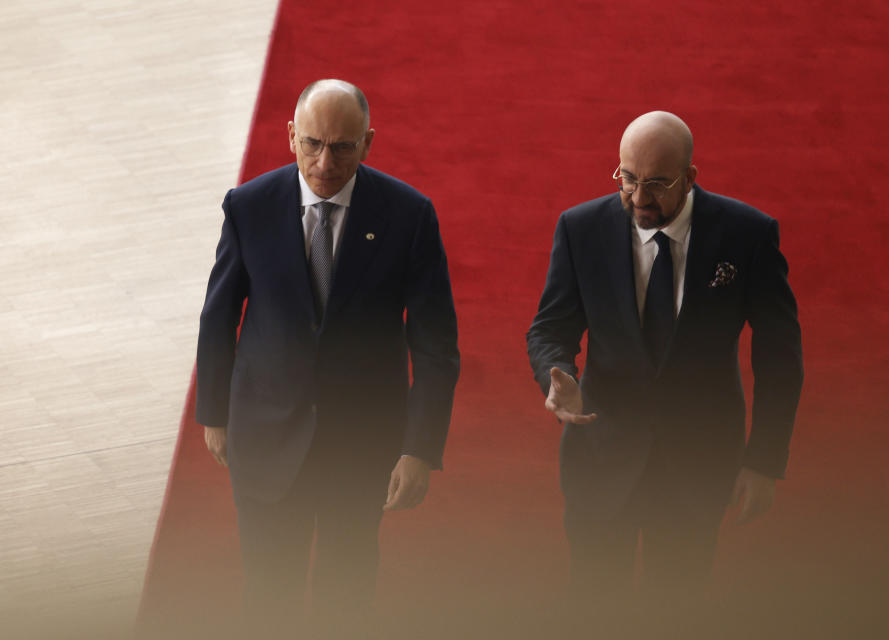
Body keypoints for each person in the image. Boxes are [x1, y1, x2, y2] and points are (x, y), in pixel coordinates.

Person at [194, 79, 460, 634]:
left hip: (360, 448)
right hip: (264, 437)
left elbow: (435, 344)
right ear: (290, 136)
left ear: (368, 143)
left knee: (348, 594)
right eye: (312, 143)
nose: (324, 161)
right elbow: (219, 315)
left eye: (342, 147)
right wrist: (214, 414)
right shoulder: (249, 207)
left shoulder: (409, 215)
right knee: (268, 595)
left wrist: (419, 448)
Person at [526, 111, 803, 603]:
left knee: (677, 608)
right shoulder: (580, 228)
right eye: (627, 178)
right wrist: (559, 374)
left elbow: (779, 357)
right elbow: (551, 326)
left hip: (695, 466)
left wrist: (764, 460)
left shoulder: (748, 234)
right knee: (593, 606)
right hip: (600, 459)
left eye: (655, 183)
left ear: (690, 178)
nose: (637, 198)